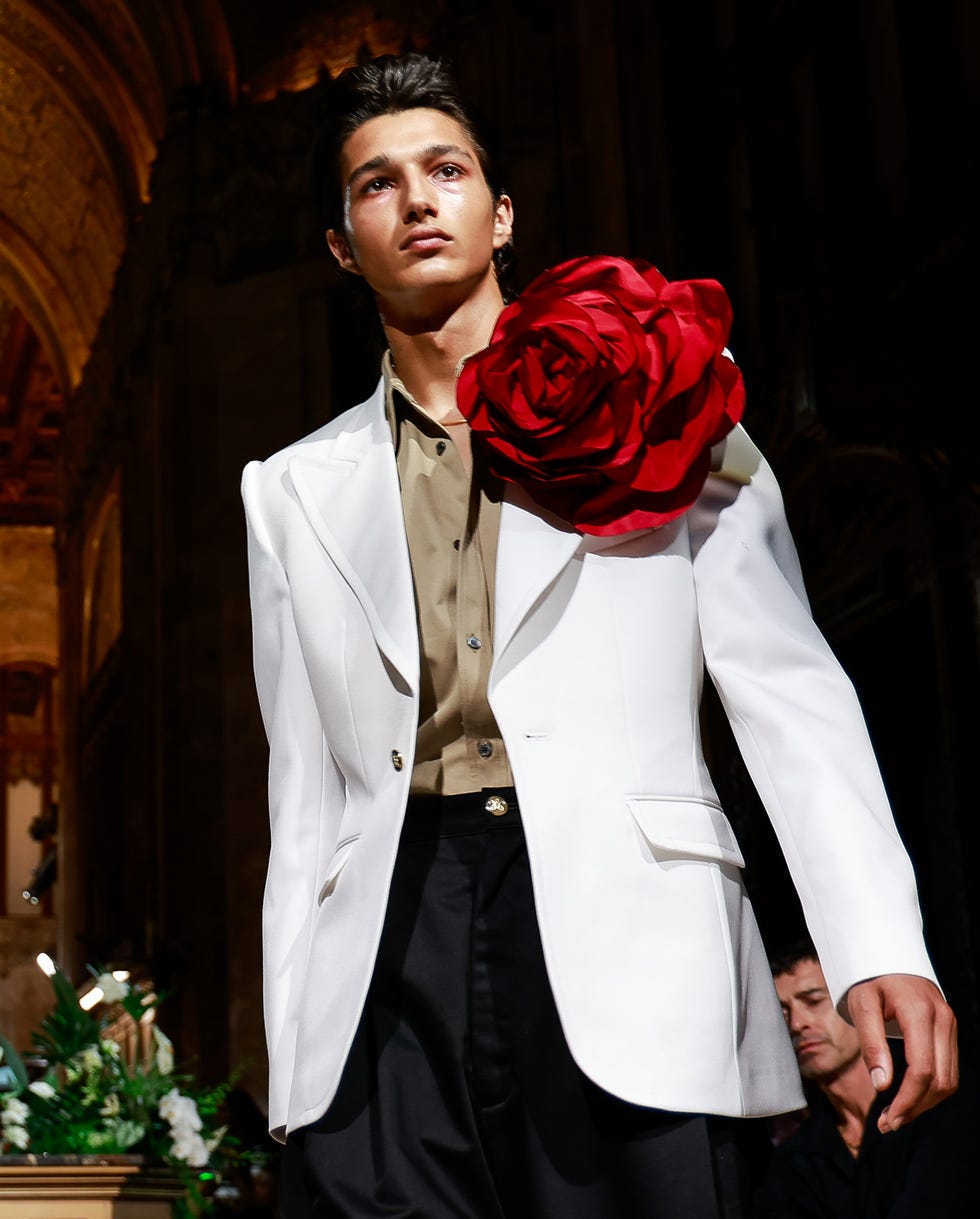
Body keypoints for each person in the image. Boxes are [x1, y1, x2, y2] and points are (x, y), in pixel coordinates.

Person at [241, 53, 956, 1218]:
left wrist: (879, 939)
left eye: (446, 170)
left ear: (500, 210)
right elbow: (304, 794)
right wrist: (294, 1051)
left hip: (628, 934)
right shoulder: (289, 492)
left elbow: (786, 690)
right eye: (377, 184)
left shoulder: (665, 387)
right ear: (339, 244)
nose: (417, 200)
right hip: (385, 950)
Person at [760, 943, 976, 1217]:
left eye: (814, 1001)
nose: (797, 1023)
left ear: (860, 1007)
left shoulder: (938, 1098)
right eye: (783, 1014)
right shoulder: (796, 1160)